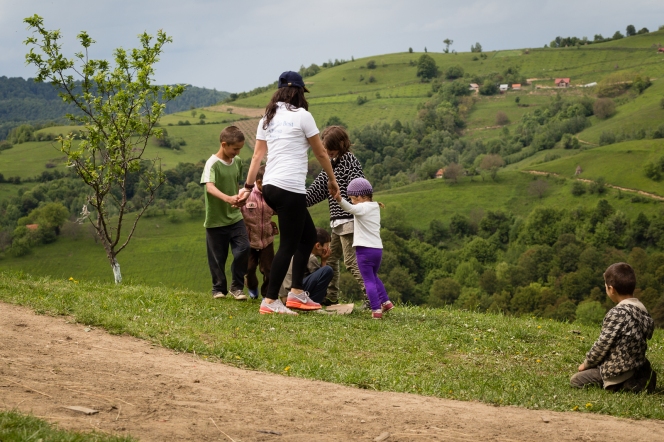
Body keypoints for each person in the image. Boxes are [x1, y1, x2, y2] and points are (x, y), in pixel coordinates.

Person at [240, 71, 340, 315]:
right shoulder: (303, 116)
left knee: (306, 237)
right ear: (299, 93)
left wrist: (247, 187)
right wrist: (332, 179)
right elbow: (321, 153)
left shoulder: (267, 117)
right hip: (290, 188)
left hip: (271, 187)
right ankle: (270, 300)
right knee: (288, 245)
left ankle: (296, 294)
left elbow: (257, 156)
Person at [571, 262, 657, 393]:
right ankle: (641, 382)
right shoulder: (642, 311)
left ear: (611, 289)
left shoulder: (618, 313)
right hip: (638, 367)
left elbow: (602, 345)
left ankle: (621, 386)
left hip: (619, 373)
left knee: (576, 380)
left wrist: (586, 364)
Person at [306, 125, 367, 306]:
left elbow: (360, 188)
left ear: (341, 144)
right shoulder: (330, 165)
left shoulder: (349, 161)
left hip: (349, 220)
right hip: (337, 223)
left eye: (331, 148)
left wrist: (360, 210)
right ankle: (330, 297)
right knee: (331, 258)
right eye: (326, 148)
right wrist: (297, 201)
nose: (328, 152)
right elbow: (317, 189)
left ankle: (372, 297)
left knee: (351, 262)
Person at [200, 125, 250, 300]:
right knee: (217, 259)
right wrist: (228, 199)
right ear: (224, 144)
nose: (237, 152)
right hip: (215, 220)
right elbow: (210, 188)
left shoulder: (237, 162)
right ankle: (218, 290)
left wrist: (240, 197)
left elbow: (237, 185)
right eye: (235, 148)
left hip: (235, 217)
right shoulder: (212, 163)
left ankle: (237, 288)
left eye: (239, 149)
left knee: (244, 249)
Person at [333, 177, 393, 319]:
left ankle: (376, 310)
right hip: (377, 249)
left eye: (353, 198)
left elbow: (350, 208)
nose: (352, 201)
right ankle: (386, 302)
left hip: (364, 250)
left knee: (368, 281)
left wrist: (339, 199)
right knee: (373, 276)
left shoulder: (362, 207)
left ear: (361, 196)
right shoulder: (374, 207)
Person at [240, 165, 278, 299]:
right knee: (249, 268)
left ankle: (266, 294)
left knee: (268, 269)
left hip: (267, 239)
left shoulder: (272, 195)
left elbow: (278, 210)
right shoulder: (246, 195)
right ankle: (251, 286)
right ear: (259, 182)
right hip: (249, 239)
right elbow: (236, 211)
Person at [279, 228, 334, 304]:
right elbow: (320, 283)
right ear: (317, 245)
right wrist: (324, 261)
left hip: (285, 297)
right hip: (293, 294)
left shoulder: (297, 252)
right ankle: (315, 302)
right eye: (327, 245)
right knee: (327, 270)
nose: (328, 249)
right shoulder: (310, 257)